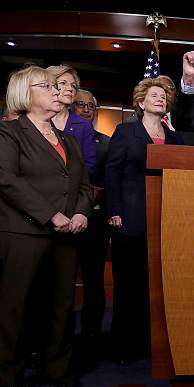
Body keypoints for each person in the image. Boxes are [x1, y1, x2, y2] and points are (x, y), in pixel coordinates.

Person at [0, 65, 92, 387]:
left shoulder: (70, 140)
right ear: (26, 94)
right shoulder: (9, 132)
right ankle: (7, 381)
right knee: (15, 309)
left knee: (61, 307)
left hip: (67, 236)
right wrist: (51, 214)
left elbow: (83, 184)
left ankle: (56, 373)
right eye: (48, 87)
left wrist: (82, 213)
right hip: (23, 235)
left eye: (58, 87)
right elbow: (6, 180)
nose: (58, 92)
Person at [105, 76, 183, 363]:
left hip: (165, 221)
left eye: (163, 96)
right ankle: (125, 347)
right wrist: (114, 210)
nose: (160, 99)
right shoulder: (125, 132)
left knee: (158, 287)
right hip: (130, 218)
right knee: (129, 286)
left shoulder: (175, 138)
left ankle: (154, 345)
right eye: (154, 96)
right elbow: (112, 172)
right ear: (140, 102)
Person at [72, 89, 111, 353]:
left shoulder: (106, 143)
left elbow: (111, 177)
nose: (86, 109)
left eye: (90, 105)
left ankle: (91, 337)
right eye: (80, 105)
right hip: (60, 222)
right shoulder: (56, 137)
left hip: (95, 221)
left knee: (94, 282)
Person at [46, 65, 96, 176]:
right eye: (63, 83)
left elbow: (88, 165)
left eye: (73, 86)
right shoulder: (38, 120)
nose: (70, 88)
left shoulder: (84, 126)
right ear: (49, 86)